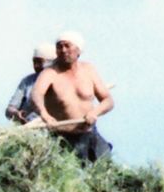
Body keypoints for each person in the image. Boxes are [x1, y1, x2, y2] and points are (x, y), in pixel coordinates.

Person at [31, 30, 114, 163]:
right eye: (59, 47)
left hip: (90, 134)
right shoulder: (49, 73)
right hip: (62, 139)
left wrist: (95, 112)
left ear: (78, 50)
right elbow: (35, 95)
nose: (63, 50)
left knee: (105, 173)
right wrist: (44, 114)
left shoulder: (89, 70)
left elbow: (108, 100)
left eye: (67, 46)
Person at [5, 44, 55, 123]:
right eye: (34, 62)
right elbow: (9, 110)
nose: (36, 65)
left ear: (52, 62)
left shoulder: (61, 81)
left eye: (39, 62)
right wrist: (16, 113)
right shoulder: (27, 82)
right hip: (29, 127)